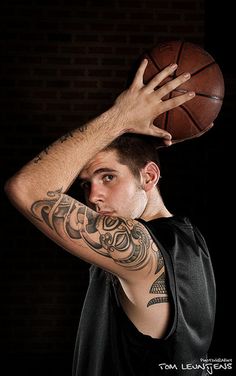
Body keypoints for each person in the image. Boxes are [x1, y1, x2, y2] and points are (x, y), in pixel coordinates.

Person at [5, 60, 216, 376]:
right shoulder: (188, 239)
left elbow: (27, 188)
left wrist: (121, 117)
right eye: (87, 183)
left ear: (149, 176)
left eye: (107, 177)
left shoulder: (142, 246)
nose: (92, 197)